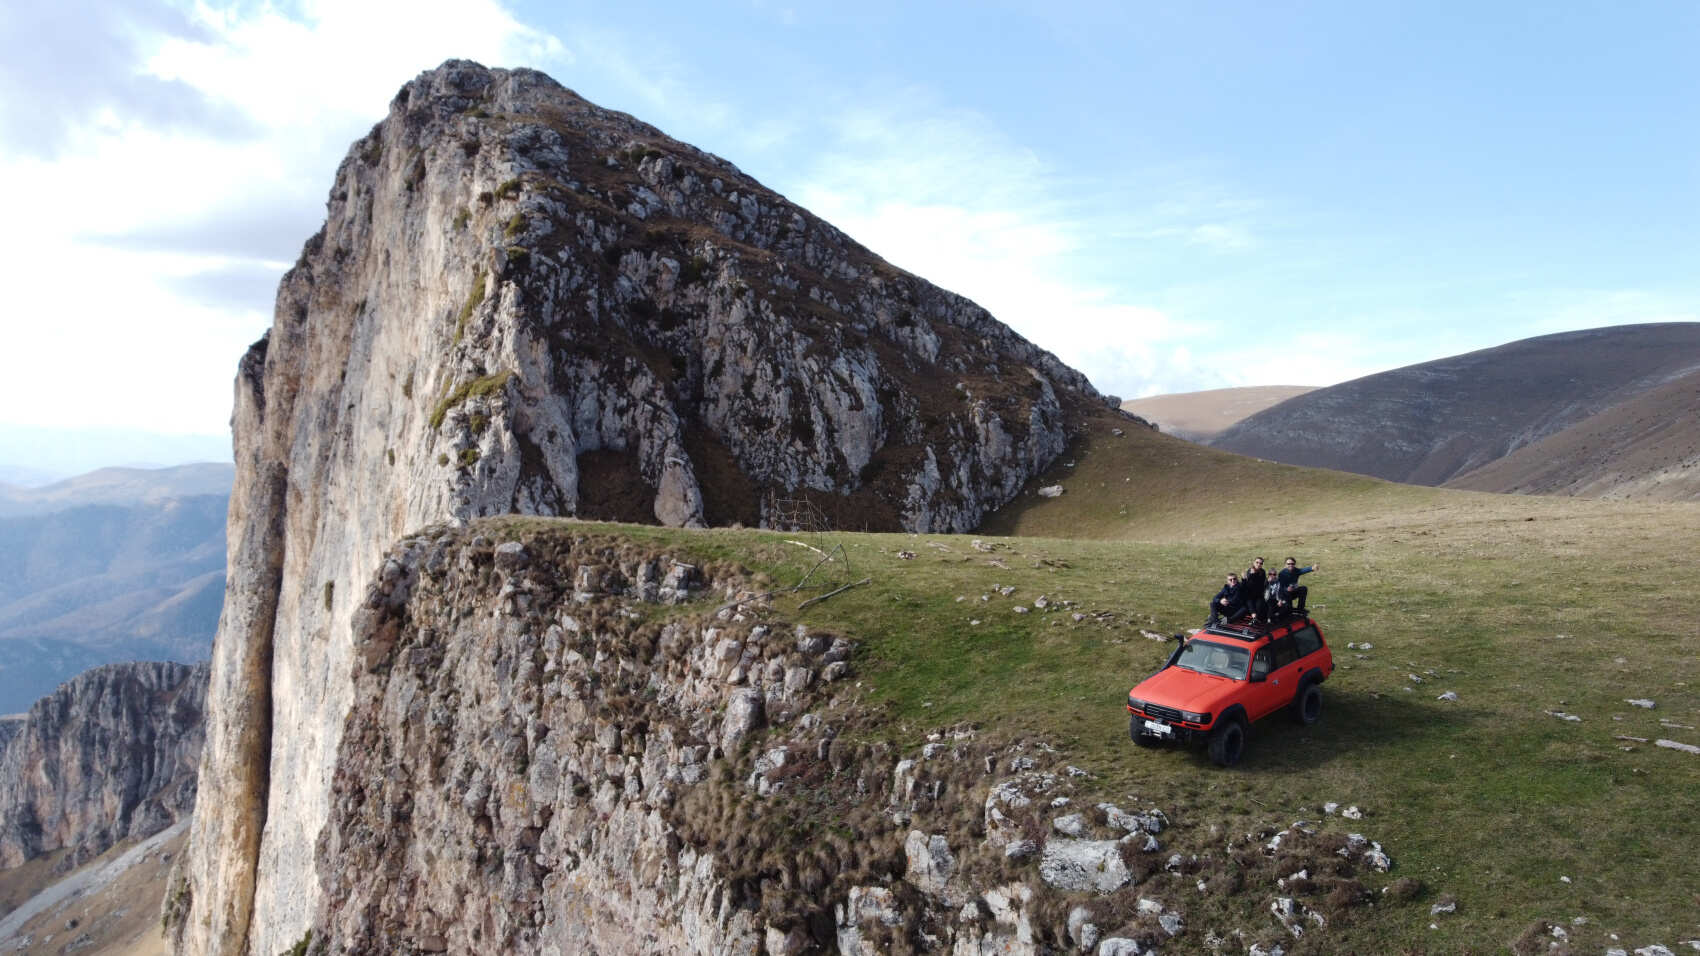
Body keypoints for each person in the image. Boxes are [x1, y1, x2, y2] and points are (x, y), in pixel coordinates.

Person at [1243, 556, 1269, 623]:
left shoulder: (1262, 572)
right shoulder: (1249, 572)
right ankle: (1254, 618)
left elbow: (1261, 584)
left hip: (1259, 594)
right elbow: (1248, 586)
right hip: (1250, 594)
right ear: (1254, 563)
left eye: (1261, 563)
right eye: (1257, 562)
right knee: (1250, 603)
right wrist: (1252, 575)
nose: (1258, 564)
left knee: (1259, 607)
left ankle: (1256, 619)